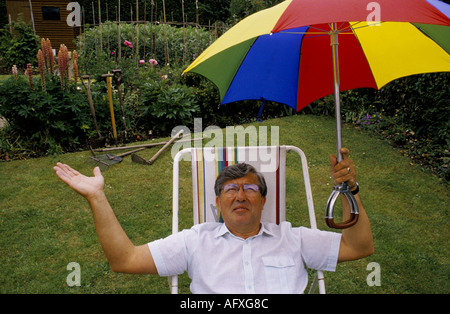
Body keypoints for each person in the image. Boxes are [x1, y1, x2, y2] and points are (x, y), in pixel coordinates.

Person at [53, 147, 373, 293]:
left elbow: (359, 246)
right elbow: (124, 259)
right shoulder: (195, 241)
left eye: (250, 189)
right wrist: (97, 197)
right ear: (218, 202)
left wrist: (350, 190)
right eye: (230, 190)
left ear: (263, 201)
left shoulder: (294, 238)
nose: (240, 196)